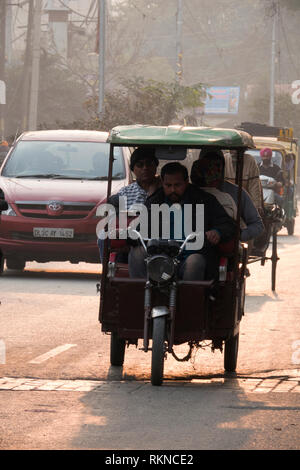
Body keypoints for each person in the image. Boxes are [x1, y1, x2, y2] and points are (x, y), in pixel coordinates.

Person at [129, 161, 236, 281]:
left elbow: (228, 224)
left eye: (177, 185)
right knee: (137, 253)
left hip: (189, 257)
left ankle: (189, 299)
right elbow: (141, 229)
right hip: (158, 258)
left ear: (186, 182)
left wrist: (217, 232)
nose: (173, 189)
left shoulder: (204, 200)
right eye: (168, 185)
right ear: (162, 184)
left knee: (195, 262)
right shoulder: (154, 201)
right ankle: (139, 297)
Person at [98, 147, 161, 261]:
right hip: (130, 237)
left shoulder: (165, 189)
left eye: (149, 164)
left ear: (155, 167)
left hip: (157, 235)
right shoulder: (125, 192)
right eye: (140, 165)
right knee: (104, 234)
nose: (145, 168)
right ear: (133, 169)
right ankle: (107, 273)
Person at [190, 149, 264, 243]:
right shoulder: (188, 193)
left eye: (216, 166)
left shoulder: (234, 194)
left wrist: (238, 236)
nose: (211, 170)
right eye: (206, 166)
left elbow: (257, 225)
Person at [224, 149, 263, 215]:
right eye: (232, 149)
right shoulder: (225, 159)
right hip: (226, 204)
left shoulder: (250, 160)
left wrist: (256, 207)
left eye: (237, 150)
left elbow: (254, 187)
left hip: (244, 205)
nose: (234, 152)